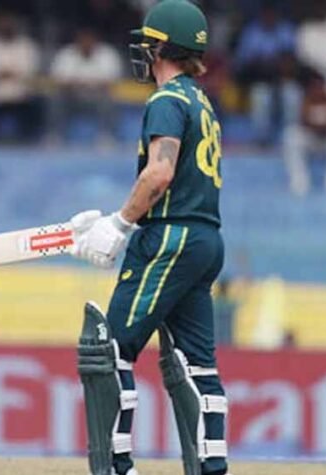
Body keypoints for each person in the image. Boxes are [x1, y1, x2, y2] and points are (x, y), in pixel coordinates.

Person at [70, 2, 230, 475]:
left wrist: (119, 224)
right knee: (196, 365)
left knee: (109, 353)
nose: (141, 51)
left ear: (161, 48)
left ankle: (116, 467)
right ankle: (211, 467)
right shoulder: (202, 101)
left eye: (147, 43)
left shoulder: (167, 100)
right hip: (204, 239)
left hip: (169, 236)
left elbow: (160, 172)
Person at [234, 5, 301, 146]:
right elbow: (243, 62)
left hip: (283, 79)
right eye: (266, 14)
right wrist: (262, 64)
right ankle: (262, 140)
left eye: (272, 14)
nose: (269, 18)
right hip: (261, 80)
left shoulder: (285, 30)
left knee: (292, 95)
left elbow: (292, 60)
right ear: (262, 15)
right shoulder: (252, 32)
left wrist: (280, 64)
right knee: (260, 97)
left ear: (277, 15)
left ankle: (289, 139)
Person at [0, 11, 41, 141]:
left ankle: (30, 142)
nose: (5, 27)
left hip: (20, 96)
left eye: (8, 23)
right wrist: (8, 72)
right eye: (2, 24)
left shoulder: (26, 46)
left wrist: (4, 73)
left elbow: (30, 72)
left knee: (36, 106)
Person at [49, 27, 123, 143]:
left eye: (89, 40)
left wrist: (86, 83)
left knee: (108, 100)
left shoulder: (107, 53)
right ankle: (55, 135)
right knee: (56, 99)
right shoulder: (66, 54)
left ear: (95, 40)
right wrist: (82, 84)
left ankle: (106, 135)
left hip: (97, 97)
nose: (86, 43)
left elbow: (111, 82)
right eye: (83, 40)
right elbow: (58, 81)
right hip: (72, 97)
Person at [283, 72, 326, 195]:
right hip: (311, 140)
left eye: (320, 86)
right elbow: (304, 120)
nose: (318, 89)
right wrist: (321, 125)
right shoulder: (307, 100)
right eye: (314, 86)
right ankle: (299, 180)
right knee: (291, 135)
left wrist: (324, 125)